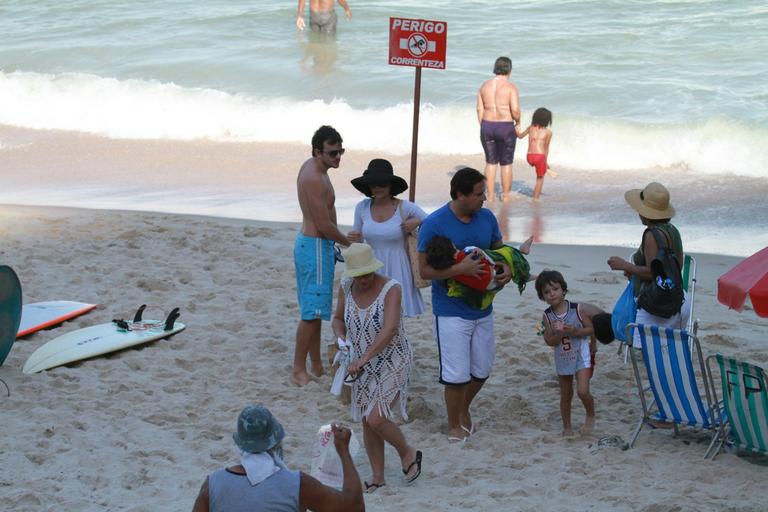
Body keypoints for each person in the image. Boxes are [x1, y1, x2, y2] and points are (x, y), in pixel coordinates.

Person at [417, 167, 513, 443]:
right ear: (460, 194)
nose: (484, 198)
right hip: (450, 309)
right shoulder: (434, 224)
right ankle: (454, 425)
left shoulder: (487, 218)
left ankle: (462, 408)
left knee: (482, 370)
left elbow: (500, 252)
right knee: (456, 374)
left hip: (484, 307)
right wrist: (459, 270)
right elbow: (424, 272)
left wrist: (505, 270)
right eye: (479, 193)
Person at [331, 243, 421, 493]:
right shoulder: (346, 286)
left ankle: (407, 452)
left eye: (367, 273)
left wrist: (364, 358)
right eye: (358, 275)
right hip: (360, 362)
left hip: (393, 358)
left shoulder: (391, 288)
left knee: (377, 417)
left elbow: (390, 329)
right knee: (365, 420)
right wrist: (342, 340)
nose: (363, 279)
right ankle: (378, 475)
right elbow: (337, 320)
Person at [191, 405, 365, 512]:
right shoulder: (298, 484)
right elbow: (354, 507)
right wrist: (343, 451)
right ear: (276, 442)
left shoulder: (213, 484)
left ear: (240, 444)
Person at [293, 125, 351, 386]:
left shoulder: (315, 167)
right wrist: (347, 241)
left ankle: (315, 364)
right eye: (332, 153)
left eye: (340, 151)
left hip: (318, 246)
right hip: (315, 245)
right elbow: (323, 223)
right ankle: (298, 369)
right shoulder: (313, 178)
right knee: (310, 313)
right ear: (317, 152)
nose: (337, 157)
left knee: (316, 311)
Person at [606, 182, 690, 349]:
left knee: (642, 357)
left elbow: (654, 274)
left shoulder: (652, 235)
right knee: (667, 355)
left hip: (655, 306)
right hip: (679, 300)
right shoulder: (673, 231)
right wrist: (636, 272)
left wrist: (626, 266)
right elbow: (674, 268)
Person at [347, 159, 428, 317]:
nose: (377, 188)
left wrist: (417, 221)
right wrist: (351, 238)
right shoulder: (362, 207)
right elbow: (357, 242)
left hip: (399, 267)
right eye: (373, 184)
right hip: (370, 266)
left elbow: (433, 221)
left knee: (395, 316)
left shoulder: (405, 207)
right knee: (373, 316)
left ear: (391, 185)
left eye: (382, 184)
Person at [535, 270, 595, 436]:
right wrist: (559, 334)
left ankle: (590, 414)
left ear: (563, 289)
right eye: (546, 292)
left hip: (581, 355)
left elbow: (590, 330)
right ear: (542, 296)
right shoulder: (547, 316)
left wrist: (574, 330)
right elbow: (549, 341)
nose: (551, 294)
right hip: (562, 357)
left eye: (555, 289)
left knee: (582, 391)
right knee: (566, 394)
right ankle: (567, 427)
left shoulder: (577, 309)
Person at [424, 235, 533, 310]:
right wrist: (487, 258)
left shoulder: (452, 272)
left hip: (488, 288)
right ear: (452, 246)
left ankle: (525, 273)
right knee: (503, 253)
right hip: (494, 276)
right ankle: (521, 250)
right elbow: (475, 250)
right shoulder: (465, 254)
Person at [476, 56, 521, 203]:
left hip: (487, 125)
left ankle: (490, 196)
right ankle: (506, 196)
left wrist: (483, 125)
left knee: (490, 162)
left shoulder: (484, 86)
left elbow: (479, 109)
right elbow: (515, 110)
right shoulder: (510, 87)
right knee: (506, 163)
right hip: (505, 126)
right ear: (509, 69)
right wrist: (518, 121)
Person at [516, 108, 553, 201]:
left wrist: (516, 130)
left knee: (539, 174)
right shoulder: (548, 132)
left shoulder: (530, 127)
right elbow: (546, 148)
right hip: (539, 157)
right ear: (547, 120)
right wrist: (546, 162)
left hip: (529, 156)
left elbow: (520, 136)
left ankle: (536, 194)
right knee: (540, 178)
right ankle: (535, 199)